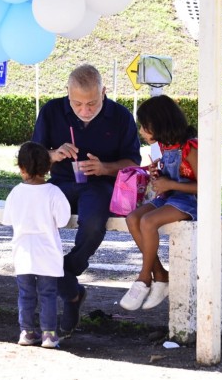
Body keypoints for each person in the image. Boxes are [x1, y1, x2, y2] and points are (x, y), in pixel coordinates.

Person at [31, 64, 141, 335]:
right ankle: (71, 291)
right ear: (67, 93)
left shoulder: (120, 116)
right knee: (34, 223)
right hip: (60, 183)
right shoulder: (51, 111)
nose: (85, 110)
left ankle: (66, 270)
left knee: (93, 223)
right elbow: (33, 157)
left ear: (104, 92)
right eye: (77, 103)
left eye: (92, 103)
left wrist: (104, 168)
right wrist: (54, 154)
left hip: (99, 186)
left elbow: (133, 162)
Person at [119, 95, 198, 311]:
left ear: (160, 123)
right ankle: (161, 275)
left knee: (148, 221)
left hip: (190, 201)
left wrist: (170, 183)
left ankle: (144, 278)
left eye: (144, 126)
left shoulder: (191, 147)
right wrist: (158, 174)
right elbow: (169, 177)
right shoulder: (165, 146)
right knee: (133, 218)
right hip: (170, 197)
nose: (142, 132)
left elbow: (205, 187)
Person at [1, 141, 71, 349]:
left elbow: (8, 219)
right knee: (48, 294)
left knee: (26, 294)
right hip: (48, 252)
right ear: (47, 167)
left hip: (23, 252)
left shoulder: (15, 193)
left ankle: (27, 332)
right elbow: (63, 220)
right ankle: (49, 334)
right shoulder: (54, 192)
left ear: (21, 168)